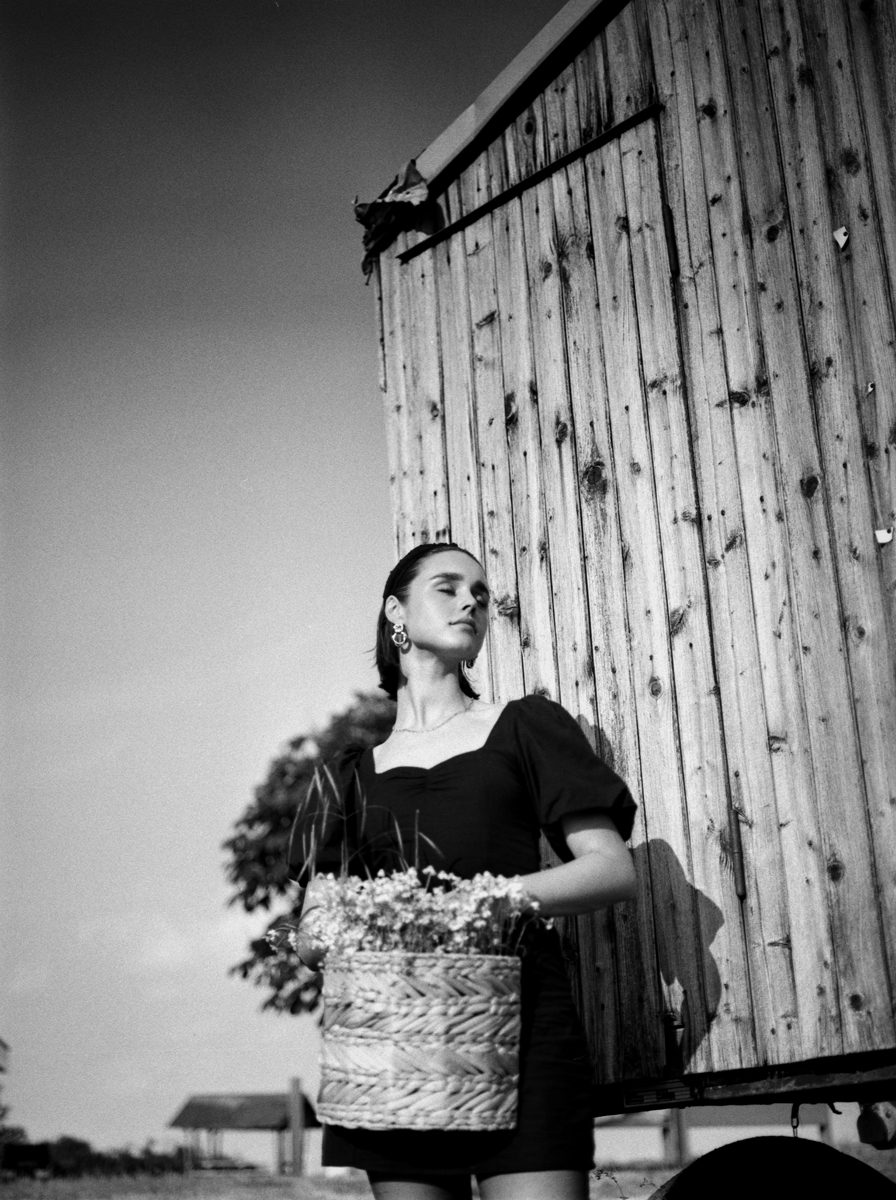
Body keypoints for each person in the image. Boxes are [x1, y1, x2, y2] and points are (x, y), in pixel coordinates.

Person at [292, 541, 638, 1200]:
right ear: (396, 611)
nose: (472, 602)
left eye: (480, 594)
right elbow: (313, 939)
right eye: (448, 588)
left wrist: (485, 901)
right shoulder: (344, 779)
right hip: (394, 1046)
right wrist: (373, 927)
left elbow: (611, 870)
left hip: (522, 1028)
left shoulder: (525, 728)